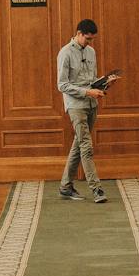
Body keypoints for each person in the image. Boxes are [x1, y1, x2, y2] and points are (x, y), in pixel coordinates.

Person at [56, 18, 114, 203]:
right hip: (76, 106)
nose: (90, 42)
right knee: (86, 147)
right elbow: (62, 85)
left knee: (79, 144)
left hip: (91, 104)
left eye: (92, 39)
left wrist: (105, 82)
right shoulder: (65, 53)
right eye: (87, 39)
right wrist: (87, 91)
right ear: (79, 33)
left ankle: (65, 186)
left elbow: (91, 79)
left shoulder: (91, 52)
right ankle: (96, 189)